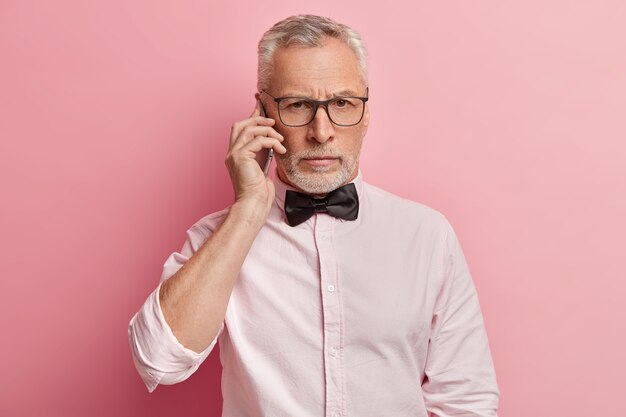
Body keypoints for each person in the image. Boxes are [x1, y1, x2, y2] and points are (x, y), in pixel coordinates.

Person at [128, 14, 500, 417]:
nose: (321, 131)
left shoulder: (427, 236)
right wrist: (247, 211)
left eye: (342, 103)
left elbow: (467, 400)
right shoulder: (217, 239)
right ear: (262, 113)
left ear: (366, 113)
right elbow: (158, 361)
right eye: (298, 105)